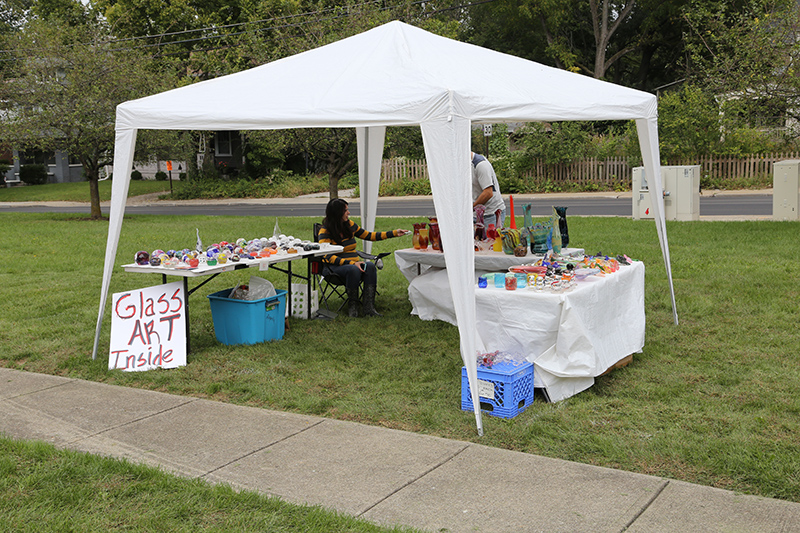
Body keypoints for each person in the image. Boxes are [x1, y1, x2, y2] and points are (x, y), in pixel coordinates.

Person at [318, 198, 410, 317]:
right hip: (333, 268)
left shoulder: (349, 225)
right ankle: (353, 307)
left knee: (370, 266)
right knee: (354, 269)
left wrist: (393, 233)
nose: (348, 213)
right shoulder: (325, 231)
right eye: (345, 210)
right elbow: (326, 257)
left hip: (354, 265)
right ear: (337, 213)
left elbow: (369, 235)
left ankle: (369, 308)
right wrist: (351, 263)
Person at [471, 152, 506, 229]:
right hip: (475, 214)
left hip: (490, 214)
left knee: (489, 240)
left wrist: (470, 209)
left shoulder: (480, 165)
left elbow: (488, 193)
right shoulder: (462, 166)